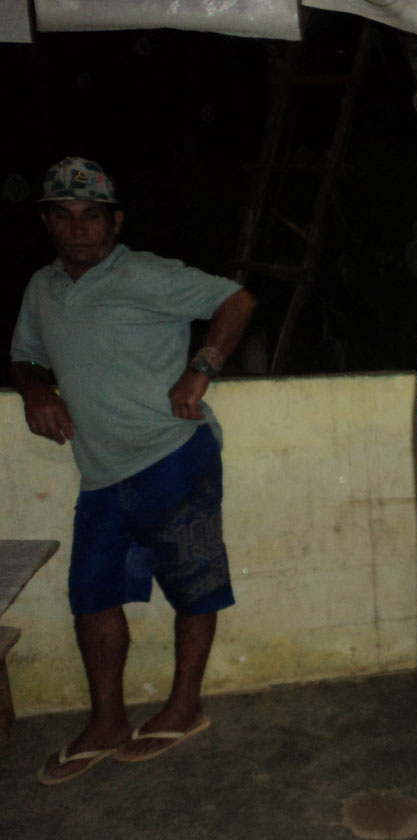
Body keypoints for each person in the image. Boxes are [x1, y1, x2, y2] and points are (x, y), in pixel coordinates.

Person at [9, 156, 255, 785]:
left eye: (91, 216)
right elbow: (25, 358)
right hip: (100, 474)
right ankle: (107, 720)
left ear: (114, 222)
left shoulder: (146, 273)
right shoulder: (41, 289)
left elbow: (236, 298)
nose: (78, 229)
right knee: (90, 596)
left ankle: (183, 706)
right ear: (47, 223)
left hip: (174, 456)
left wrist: (201, 366)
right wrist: (37, 391)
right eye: (63, 217)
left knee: (194, 584)